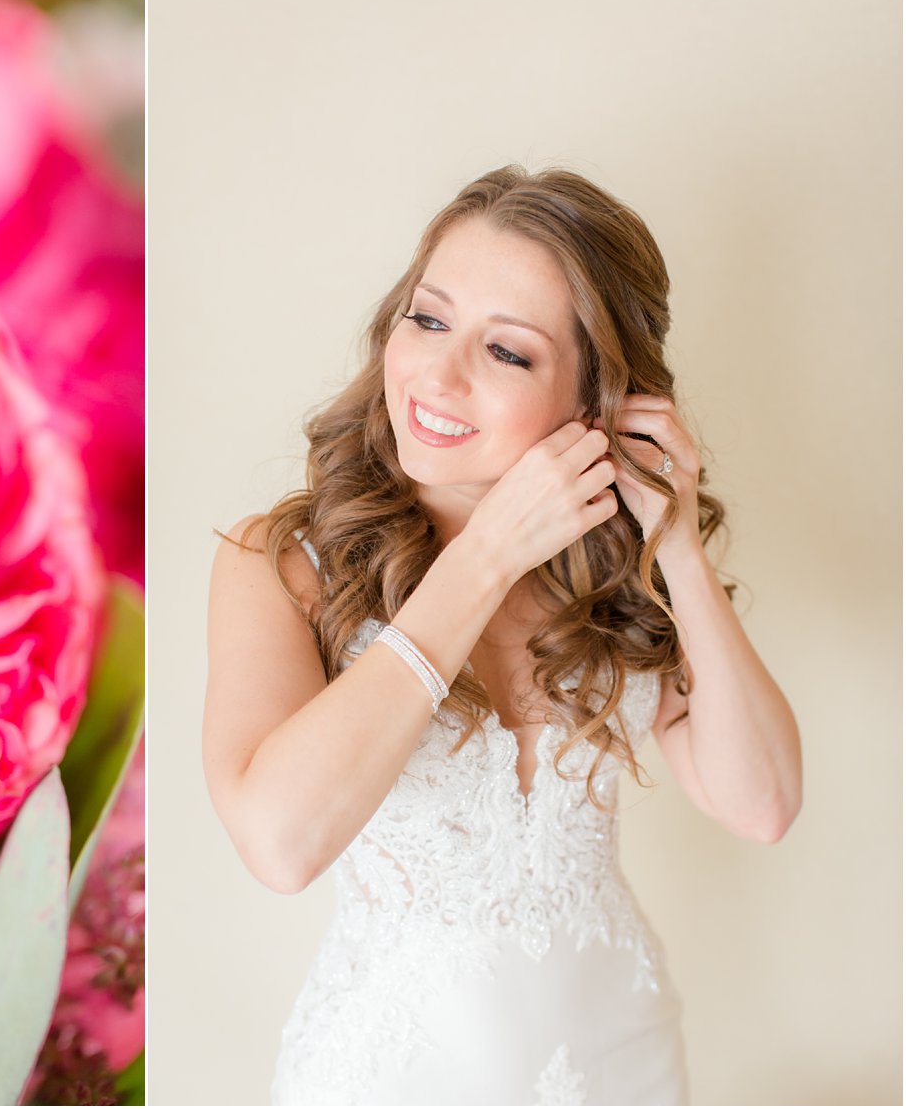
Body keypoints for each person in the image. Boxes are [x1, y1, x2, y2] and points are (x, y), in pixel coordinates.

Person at [202, 166, 801, 1105]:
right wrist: (485, 554)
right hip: (390, 1077)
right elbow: (281, 845)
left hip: (621, 1066)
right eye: (427, 319)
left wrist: (677, 545)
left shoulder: (621, 568)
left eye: (507, 353)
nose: (436, 376)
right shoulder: (282, 563)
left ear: (593, 402)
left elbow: (762, 803)